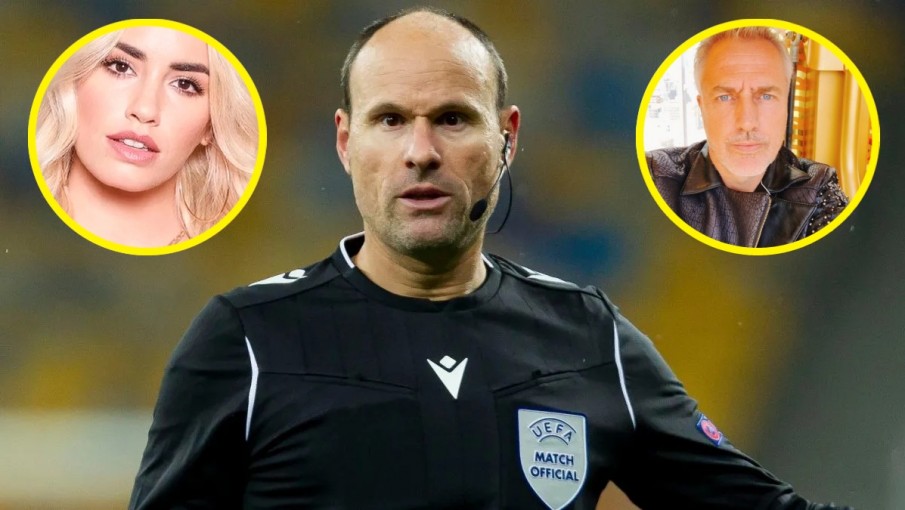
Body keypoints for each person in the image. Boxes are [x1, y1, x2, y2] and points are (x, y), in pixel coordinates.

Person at [130, 8, 852, 509]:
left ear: (507, 137)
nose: (420, 151)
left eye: (452, 118)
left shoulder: (587, 337)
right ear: (346, 142)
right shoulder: (247, 339)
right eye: (390, 120)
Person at [36, 25, 256, 248]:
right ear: (72, 82)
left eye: (184, 84)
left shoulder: (243, 249)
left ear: (210, 126)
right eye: (121, 67)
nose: (145, 110)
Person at [646, 27, 849, 248]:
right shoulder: (654, 176)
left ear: (786, 104)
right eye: (725, 97)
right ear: (702, 107)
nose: (747, 122)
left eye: (766, 96)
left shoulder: (819, 189)